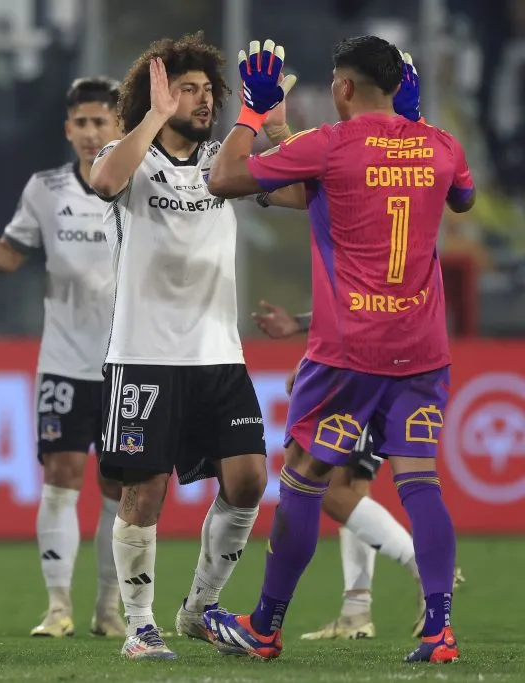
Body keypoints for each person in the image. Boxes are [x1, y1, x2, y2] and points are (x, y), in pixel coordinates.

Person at [202, 36, 473, 664]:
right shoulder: (439, 145)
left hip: (348, 351)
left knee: (304, 477)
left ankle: (265, 626)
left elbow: (223, 177)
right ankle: (440, 632)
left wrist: (252, 113)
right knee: (420, 483)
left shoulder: (330, 143)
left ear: (343, 88)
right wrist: (415, 121)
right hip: (423, 349)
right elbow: (461, 196)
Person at [86, 31, 294, 660]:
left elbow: (303, 192)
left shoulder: (222, 164)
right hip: (143, 354)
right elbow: (102, 180)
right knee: (143, 492)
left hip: (217, 354)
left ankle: (200, 607)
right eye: (189, 89)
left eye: (210, 91)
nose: (205, 101)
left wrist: (279, 130)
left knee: (250, 478)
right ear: (158, 94)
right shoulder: (136, 156)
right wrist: (150, 116)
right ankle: (140, 625)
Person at [0, 76, 124, 638]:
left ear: (121, 125)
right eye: (82, 122)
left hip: (131, 362)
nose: (92, 132)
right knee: (61, 477)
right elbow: (8, 256)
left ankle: (108, 609)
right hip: (66, 362)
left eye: (102, 121)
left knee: (122, 486)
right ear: (67, 128)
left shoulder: (143, 183)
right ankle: (57, 607)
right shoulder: (46, 189)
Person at [253, 301, 466, 640]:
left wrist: (308, 353)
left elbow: (359, 301)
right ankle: (357, 610)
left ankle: (421, 568)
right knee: (351, 485)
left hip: (363, 366)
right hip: (406, 358)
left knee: (329, 488)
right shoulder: (414, 253)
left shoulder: (356, 253)